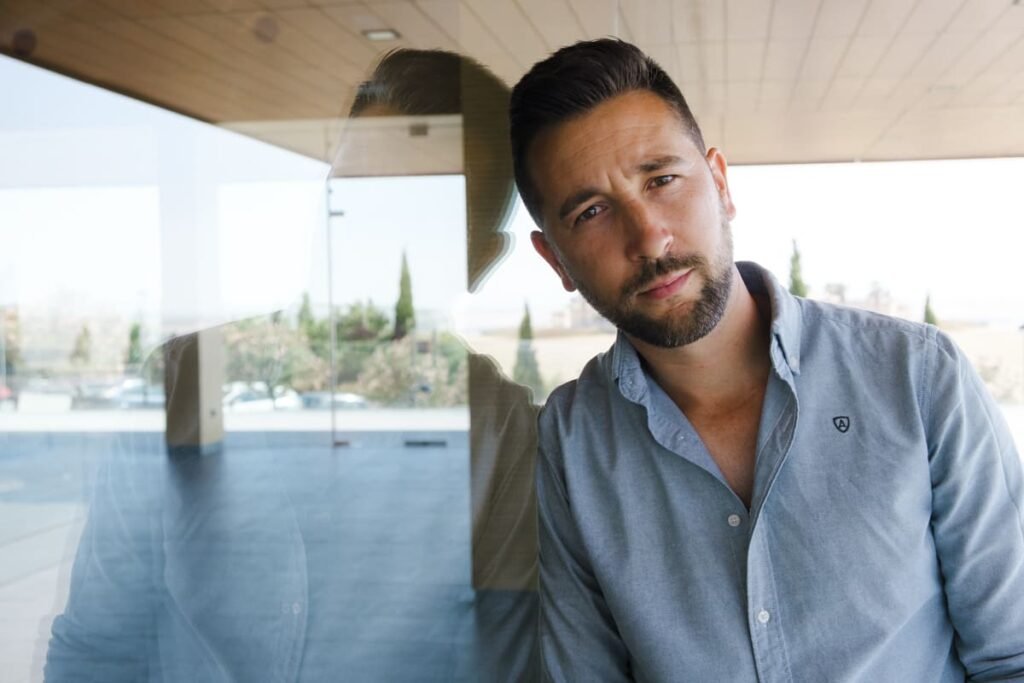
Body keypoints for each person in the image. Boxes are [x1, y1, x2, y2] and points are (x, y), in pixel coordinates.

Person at [510, 38, 1024, 681]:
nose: (649, 236)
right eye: (592, 212)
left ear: (720, 184)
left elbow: (1014, 655)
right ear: (555, 259)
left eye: (662, 179)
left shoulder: (917, 376)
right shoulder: (573, 434)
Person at [45, 49, 538, 682]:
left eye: (420, 215)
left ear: (482, 259)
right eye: (349, 197)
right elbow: (95, 650)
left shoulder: (506, 443)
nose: (366, 240)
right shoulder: (179, 385)